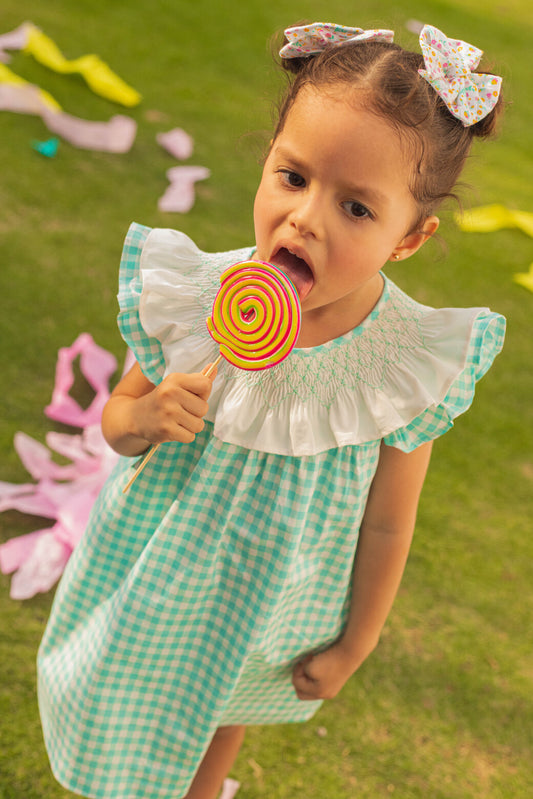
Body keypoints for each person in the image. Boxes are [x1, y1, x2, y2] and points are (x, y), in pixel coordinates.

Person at [37, 21, 506, 799]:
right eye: (293, 177)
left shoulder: (401, 362)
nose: (306, 219)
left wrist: (356, 642)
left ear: (407, 239)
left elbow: (388, 521)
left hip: (273, 600)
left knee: (222, 710)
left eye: (356, 209)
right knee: (120, 699)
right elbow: (117, 424)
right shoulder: (196, 299)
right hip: (156, 571)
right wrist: (148, 414)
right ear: (266, 161)